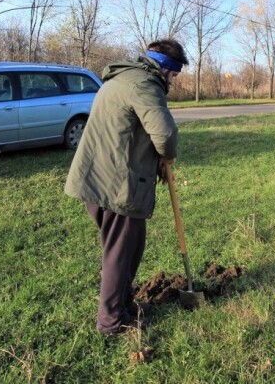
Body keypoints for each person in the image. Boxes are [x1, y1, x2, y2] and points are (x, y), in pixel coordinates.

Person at [64, 39, 189, 334]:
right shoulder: (146, 84)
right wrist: (166, 156)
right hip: (116, 185)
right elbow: (165, 133)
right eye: (175, 74)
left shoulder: (123, 76)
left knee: (130, 248)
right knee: (120, 254)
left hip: (98, 178)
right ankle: (112, 321)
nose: (174, 80)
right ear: (165, 68)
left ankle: (124, 305)